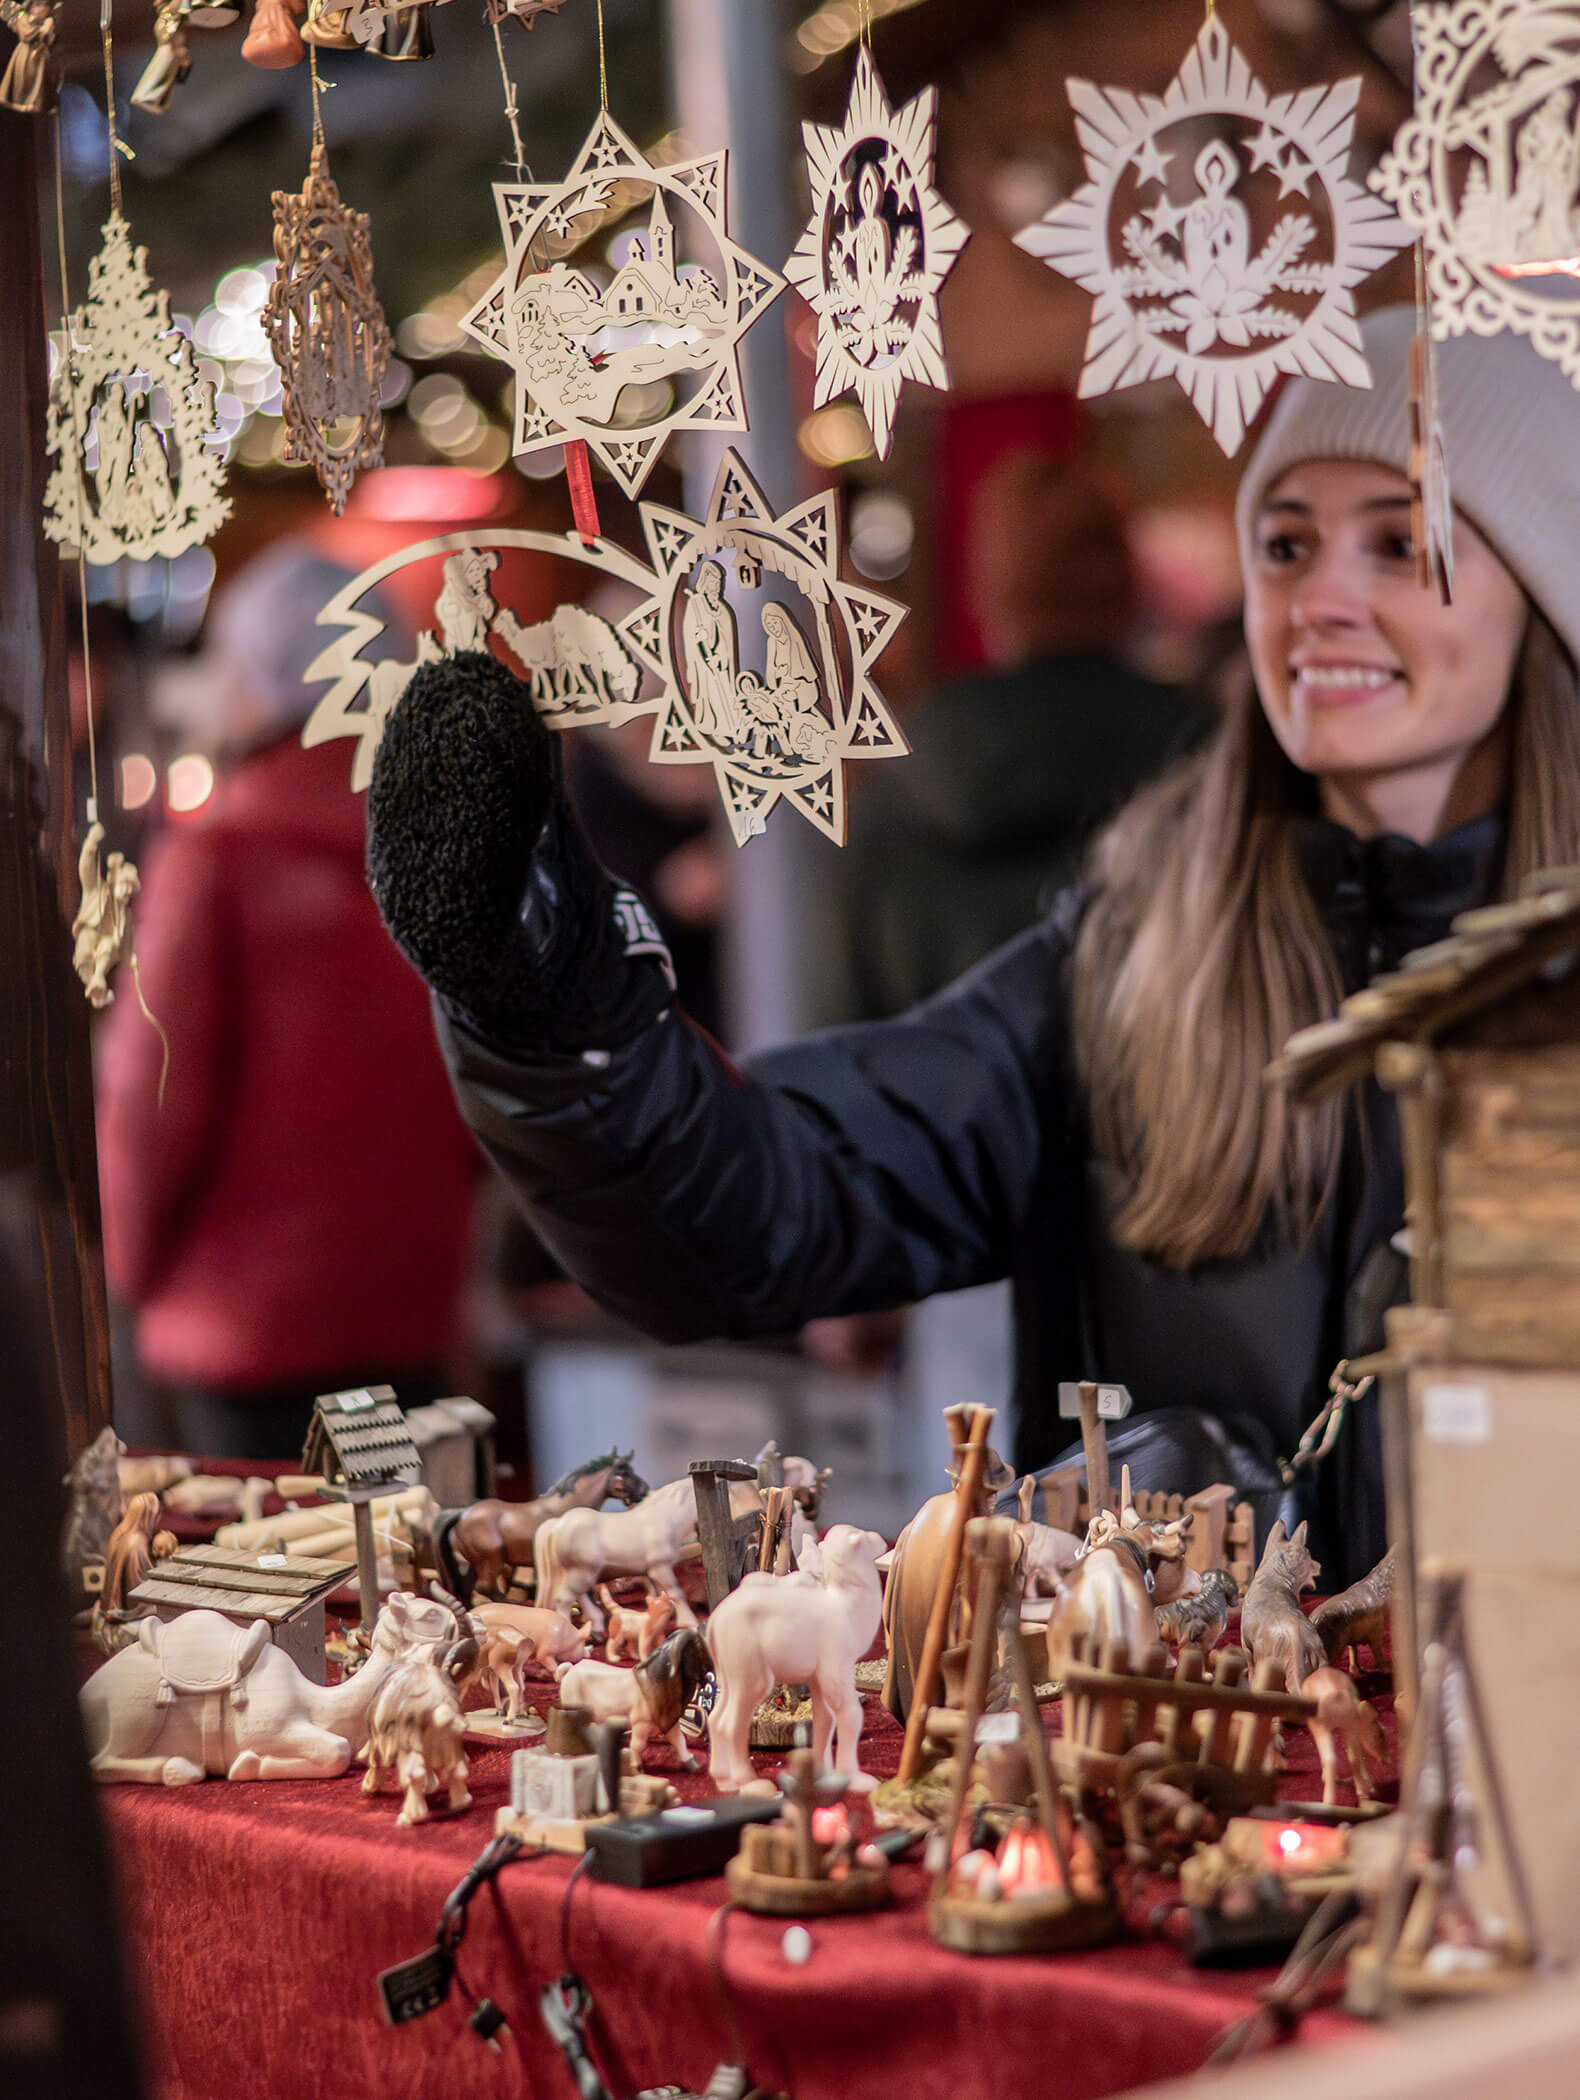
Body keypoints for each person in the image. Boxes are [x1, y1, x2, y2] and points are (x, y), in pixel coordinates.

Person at [360, 309, 1580, 1583]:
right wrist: (547, 991)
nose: (1321, 597)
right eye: (1284, 544)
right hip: (1164, 1754)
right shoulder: (1132, 956)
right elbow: (777, 1190)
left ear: (1540, 586)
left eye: (1401, 542)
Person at [97, 542, 482, 1459]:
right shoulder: (444, 848)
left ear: (257, 684)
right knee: (390, 1571)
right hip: (408, 1311)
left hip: (242, 1328)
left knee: (254, 1581)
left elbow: (151, 1097)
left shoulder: (217, 859)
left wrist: (129, 1269)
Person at [819, 450, 1211, 1024]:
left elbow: (848, 1029)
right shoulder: (1211, 758)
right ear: (1127, 580)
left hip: (950, 1109)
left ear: (988, 588)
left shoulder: (902, 781)